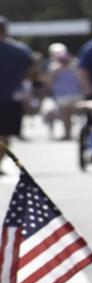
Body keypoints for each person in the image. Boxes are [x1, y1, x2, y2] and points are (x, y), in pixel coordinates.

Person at [0, 17, 34, 172]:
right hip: (11, 96)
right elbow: (31, 70)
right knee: (5, 133)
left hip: (9, 95)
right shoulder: (20, 49)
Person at [47, 43, 82, 141]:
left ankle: (69, 133)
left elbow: (80, 77)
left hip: (75, 93)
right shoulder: (53, 67)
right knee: (66, 115)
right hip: (62, 94)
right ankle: (68, 133)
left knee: (70, 115)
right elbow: (50, 81)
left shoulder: (75, 64)